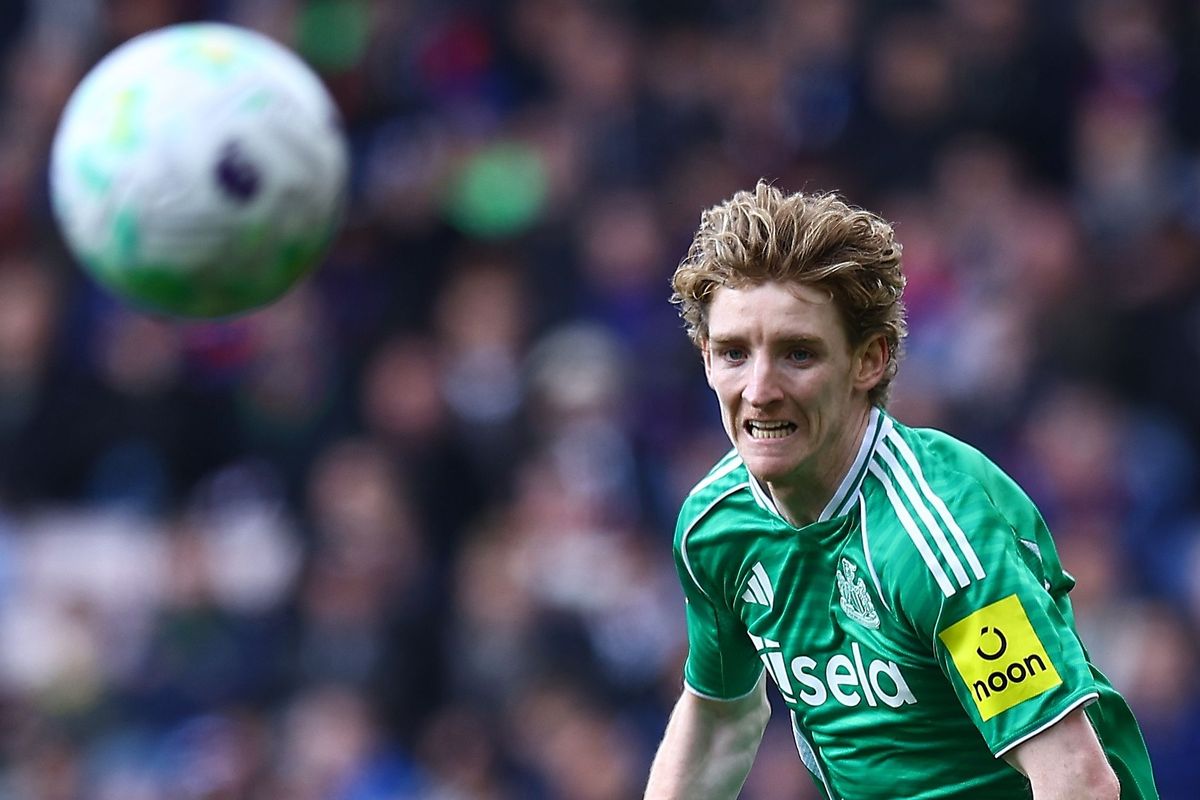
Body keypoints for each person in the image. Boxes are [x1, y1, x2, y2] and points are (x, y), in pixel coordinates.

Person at [643, 182, 1158, 799]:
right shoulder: (717, 524)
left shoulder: (938, 540)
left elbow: (1076, 780)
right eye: (733, 353)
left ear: (871, 360)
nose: (759, 389)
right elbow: (722, 718)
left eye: (798, 354)